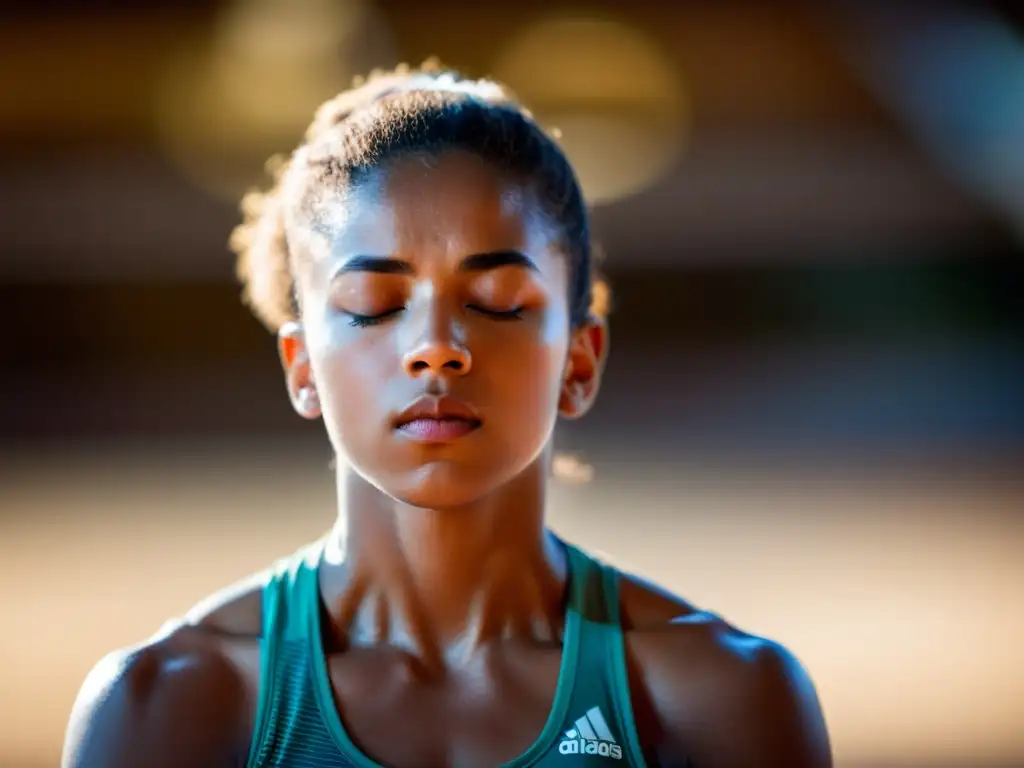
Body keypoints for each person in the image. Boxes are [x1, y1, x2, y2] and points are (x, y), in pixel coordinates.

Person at [62, 62, 832, 768]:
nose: (435, 347)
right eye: (375, 306)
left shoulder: (723, 697)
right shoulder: (167, 705)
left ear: (580, 361)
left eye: (496, 303)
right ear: (301, 368)